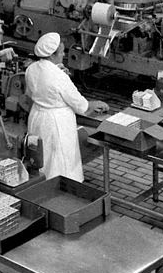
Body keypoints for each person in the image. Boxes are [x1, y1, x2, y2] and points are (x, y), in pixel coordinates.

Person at [24, 32, 108, 182]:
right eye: (62, 52)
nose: (64, 55)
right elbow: (80, 104)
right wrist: (95, 104)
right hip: (57, 123)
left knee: (41, 156)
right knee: (61, 160)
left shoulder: (31, 69)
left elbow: (30, 94)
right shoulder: (58, 76)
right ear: (52, 55)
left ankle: (41, 184)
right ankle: (62, 186)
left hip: (37, 117)